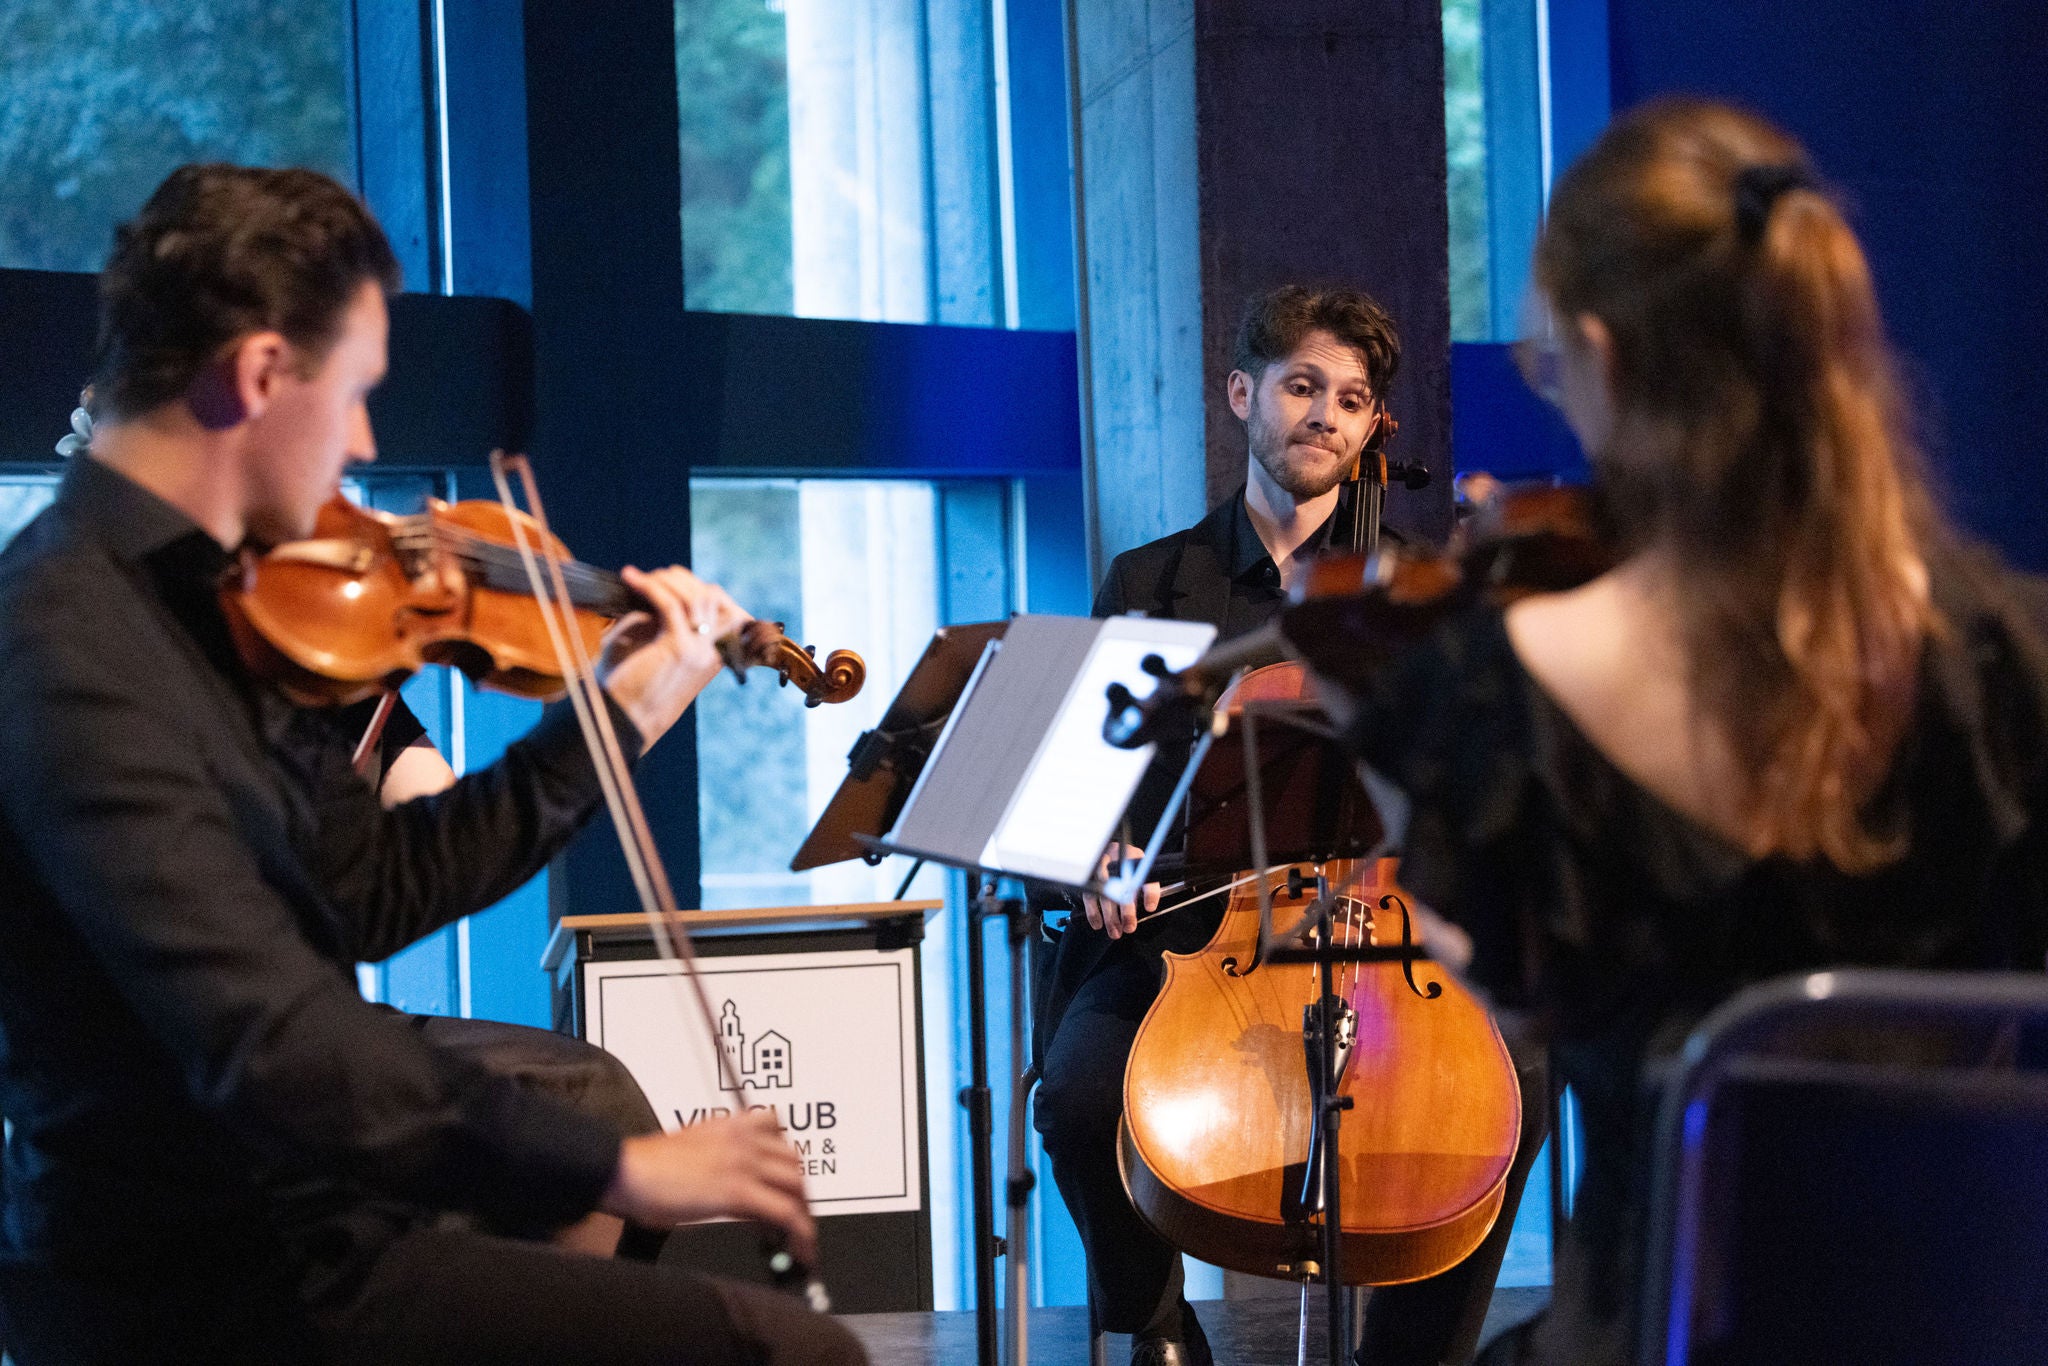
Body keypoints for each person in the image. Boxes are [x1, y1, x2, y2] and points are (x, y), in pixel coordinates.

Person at [0, 164, 865, 1366]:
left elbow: (371, 887)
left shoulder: (209, 606)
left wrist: (603, 723)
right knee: (792, 1352)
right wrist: (619, 1164)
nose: (360, 441)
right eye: (354, 391)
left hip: (308, 1225)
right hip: (201, 1281)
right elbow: (274, 1036)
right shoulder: (65, 644)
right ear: (257, 377)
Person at [1319, 99, 2048, 1365]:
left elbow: (1513, 988)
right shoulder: (2011, 658)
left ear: (1600, 353)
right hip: (1963, 1322)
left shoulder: (1508, 691)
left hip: (1662, 1317)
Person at [1031, 284, 1549, 1366]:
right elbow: (1085, 790)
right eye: (1302, 385)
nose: (1324, 414)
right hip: (1193, 935)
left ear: (1369, 428)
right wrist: (1102, 858)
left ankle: (1414, 1355)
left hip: (1380, 937)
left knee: (1518, 1092)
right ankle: (1156, 1325)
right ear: (1241, 395)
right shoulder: (1151, 580)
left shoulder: (1412, 583)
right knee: (1079, 1097)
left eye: (1350, 400)